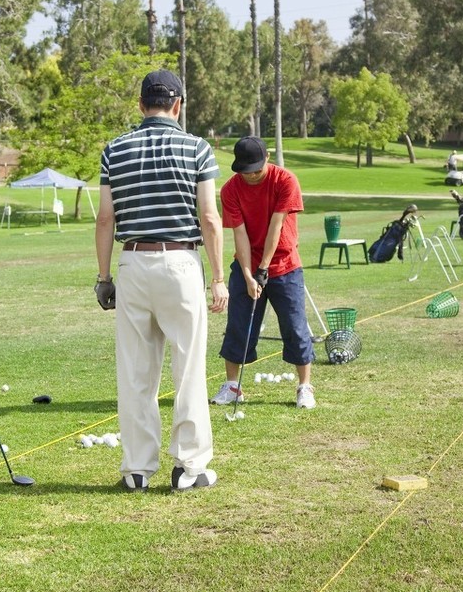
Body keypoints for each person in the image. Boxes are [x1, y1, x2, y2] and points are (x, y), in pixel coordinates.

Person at [94, 70, 228, 493]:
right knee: (187, 368)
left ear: (140, 105)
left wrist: (103, 276)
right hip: (180, 262)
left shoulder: (114, 149)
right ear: (178, 105)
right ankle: (190, 468)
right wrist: (219, 277)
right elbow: (208, 217)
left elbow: (105, 218)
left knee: (135, 372)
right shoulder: (197, 148)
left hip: (132, 262)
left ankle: (136, 469)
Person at [211, 136, 316, 410]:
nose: (252, 175)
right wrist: (248, 274)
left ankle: (304, 386)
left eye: (256, 169)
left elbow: (276, 227)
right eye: (246, 171)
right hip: (247, 264)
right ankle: (232, 386)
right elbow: (240, 235)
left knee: (294, 326)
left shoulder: (285, 180)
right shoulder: (231, 189)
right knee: (238, 325)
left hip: (285, 266)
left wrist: (263, 269)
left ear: (267, 158)